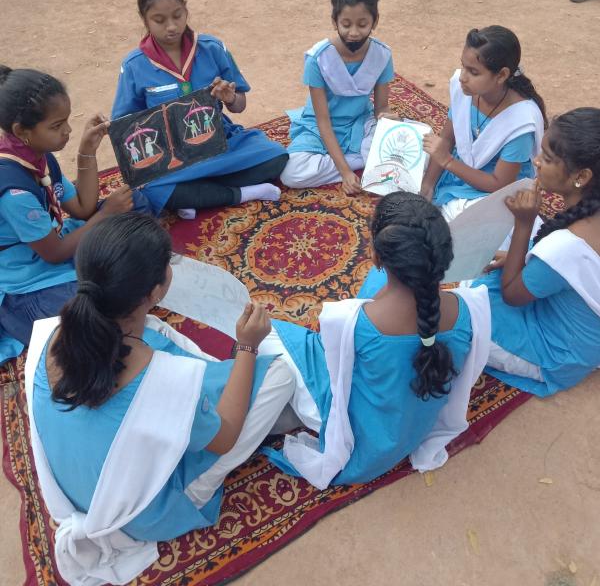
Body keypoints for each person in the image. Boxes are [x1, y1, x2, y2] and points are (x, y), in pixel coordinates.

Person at [26, 212, 294, 585]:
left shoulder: (51, 334)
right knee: (281, 375)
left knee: (153, 330)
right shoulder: (162, 381)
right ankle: (235, 390)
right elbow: (225, 437)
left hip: (82, 490)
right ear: (154, 292)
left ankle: (216, 385)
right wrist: (247, 345)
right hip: (144, 513)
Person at [260, 192, 490, 487]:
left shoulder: (350, 321)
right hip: (410, 429)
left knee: (267, 330)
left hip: (365, 436)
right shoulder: (471, 308)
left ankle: (279, 407)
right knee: (377, 283)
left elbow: (337, 375)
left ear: (376, 255)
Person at [112, 0, 288, 219]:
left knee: (276, 157)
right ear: (144, 19)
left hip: (219, 145)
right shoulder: (134, 66)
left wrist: (230, 98)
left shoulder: (212, 48)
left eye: (177, 15)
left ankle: (197, 194)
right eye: (159, 20)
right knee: (150, 188)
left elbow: (239, 105)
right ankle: (241, 194)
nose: (171, 26)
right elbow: (124, 126)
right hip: (171, 159)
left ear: (186, 9)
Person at [0, 66, 134, 358]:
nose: (68, 131)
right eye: (57, 126)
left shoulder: (39, 156)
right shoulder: (13, 192)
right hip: (24, 282)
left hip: (56, 243)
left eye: (67, 121)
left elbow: (83, 208)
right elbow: (55, 253)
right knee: (89, 324)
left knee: (138, 204)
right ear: (22, 131)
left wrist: (87, 150)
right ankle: (14, 317)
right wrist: (106, 215)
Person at [475, 108, 600, 396]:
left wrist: (524, 223)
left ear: (582, 176)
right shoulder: (581, 228)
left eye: (548, 158)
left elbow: (512, 295)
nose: (536, 161)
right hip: (583, 333)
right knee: (498, 267)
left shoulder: (566, 247)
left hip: (559, 356)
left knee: (463, 314)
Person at [420, 26, 547, 221]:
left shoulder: (521, 124)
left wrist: (448, 161)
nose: (462, 77)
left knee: (464, 218)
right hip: (458, 168)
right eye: (463, 66)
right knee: (406, 155)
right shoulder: (465, 91)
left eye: (473, 72)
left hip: (491, 189)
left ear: (501, 75)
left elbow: (499, 184)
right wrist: (427, 186)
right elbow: (447, 139)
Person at [280, 0, 394, 195]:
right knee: (291, 173)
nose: (354, 33)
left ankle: (349, 161)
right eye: (346, 24)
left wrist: (386, 117)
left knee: (411, 147)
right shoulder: (318, 59)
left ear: (375, 22)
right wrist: (345, 172)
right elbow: (323, 121)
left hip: (360, 122)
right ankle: (361, 162)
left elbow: (381, 107)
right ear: (334, 22)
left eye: (362, 24)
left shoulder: (382, 55)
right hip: (319, 126)